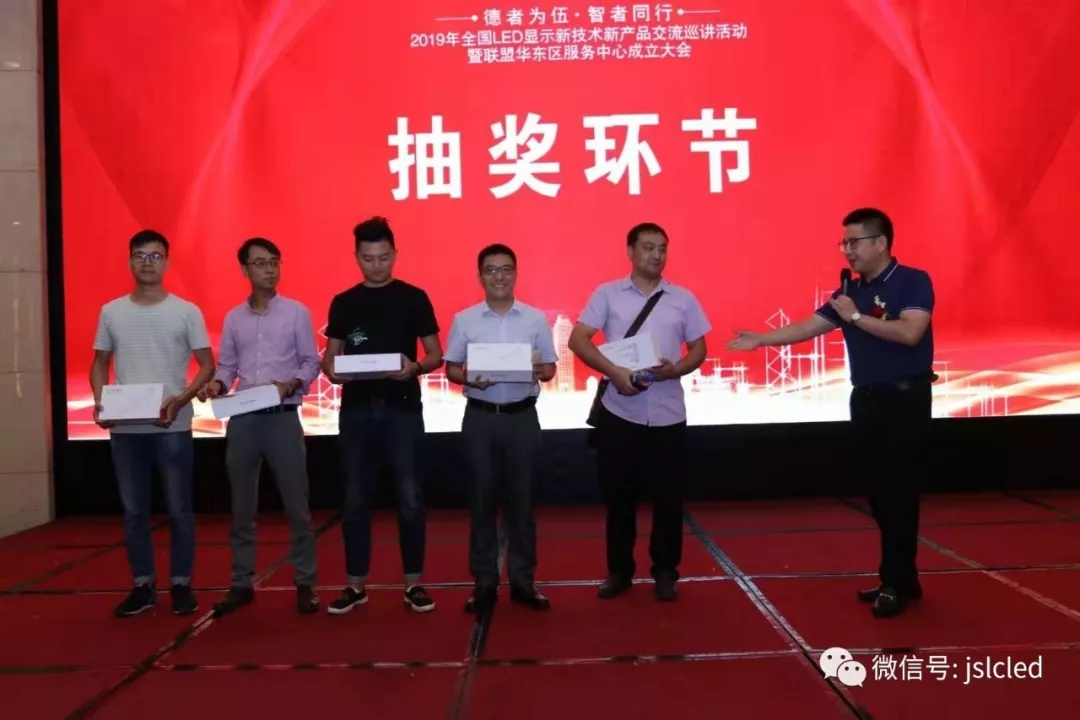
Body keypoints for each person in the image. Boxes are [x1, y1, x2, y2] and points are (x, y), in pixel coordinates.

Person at [727, 207, 934, 618]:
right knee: (878, 493)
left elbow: (910, 332)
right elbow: (809, 326)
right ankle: (901, 578)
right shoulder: (849, 292)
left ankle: (896, 582)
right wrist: (763, 339)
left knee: (899, 493)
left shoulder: (912, 280)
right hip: (867, 400)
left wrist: (854, 316)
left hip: (904, 401)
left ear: (881, 243)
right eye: (844, 243)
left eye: (854, 242)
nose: (847, 251)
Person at [567, 222, 710, 602]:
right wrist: (615, 372)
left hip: (668, 412)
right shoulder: (607, 294)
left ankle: (665, 571)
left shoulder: (683, 298)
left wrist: (677, 369)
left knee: (669, 499)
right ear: (630, 252)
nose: (657, 255)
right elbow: (578, 339)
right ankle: (620, 571)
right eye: (648, 247)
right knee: (618, 497)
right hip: (620, 411)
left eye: (662, 248)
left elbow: (699, 347)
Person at [90, 229, 216, 617]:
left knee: (179, 509)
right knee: (134, 512)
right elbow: (99, 363)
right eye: (140, 256)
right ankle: (143, 585)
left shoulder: (186, 311)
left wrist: (181, 399)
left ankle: (181, 584)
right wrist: (100, 401)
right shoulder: (111, 311)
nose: (147, 263)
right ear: (130, 261)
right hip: (126, 429)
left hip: (171, 425)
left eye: (155, 256)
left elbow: (207, 365)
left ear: (167, 262)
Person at [322, 217, 443, 614]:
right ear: (356, 257)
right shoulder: (344, 302)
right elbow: (330, 357)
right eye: (368, 258)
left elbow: (435, 354)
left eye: (384, 257)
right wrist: (332, 370)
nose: (376, 265)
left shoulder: (414, 297)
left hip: (402, 410)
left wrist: (415, 368)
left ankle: (414, 584)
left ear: (395, 254)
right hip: (357, 412)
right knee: (355, 499)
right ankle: (355, 585)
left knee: (410, 497)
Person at [197, 238, 322, 616]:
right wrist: (217, 385)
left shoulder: (297, 313)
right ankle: (241, 583)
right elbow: (227, 367)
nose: (269, 269)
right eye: (261, 263)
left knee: (297, 506)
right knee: (241, 507)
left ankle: (305, 582)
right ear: (245, 270)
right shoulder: (234, 318)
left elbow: (311, 362)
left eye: (274, 262)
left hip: (282, 417)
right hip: (244, 419)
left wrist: (291, 384)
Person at [444, 244, 558, 614]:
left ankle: (524, 582)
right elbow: (451, 368)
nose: (499, 276)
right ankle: (484, 583)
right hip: (480, 418)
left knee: (523, 503)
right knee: (481, 503)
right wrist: (468, 377)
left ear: (515, 274)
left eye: (506, 269)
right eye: (491, 270)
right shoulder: (465, 320)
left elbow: (550, 368)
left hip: (522, 417)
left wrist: (541, 371)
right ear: (480, 276)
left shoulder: (535, 319)